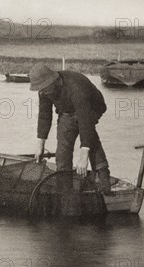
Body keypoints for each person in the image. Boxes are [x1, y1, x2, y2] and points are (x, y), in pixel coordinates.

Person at [30, 65, 112, 193]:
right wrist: (40, 145)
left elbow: (85, 122)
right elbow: (44, 116)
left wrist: (83, 156)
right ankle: (64, 186)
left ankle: (103, 179)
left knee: (89, 138)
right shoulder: (44, 90)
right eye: (42, 90)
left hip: (93, 107)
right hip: (67, 111)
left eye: (46, 89)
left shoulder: (76, 88)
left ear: (54, 81)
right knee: (63, 148)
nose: (44, 92)